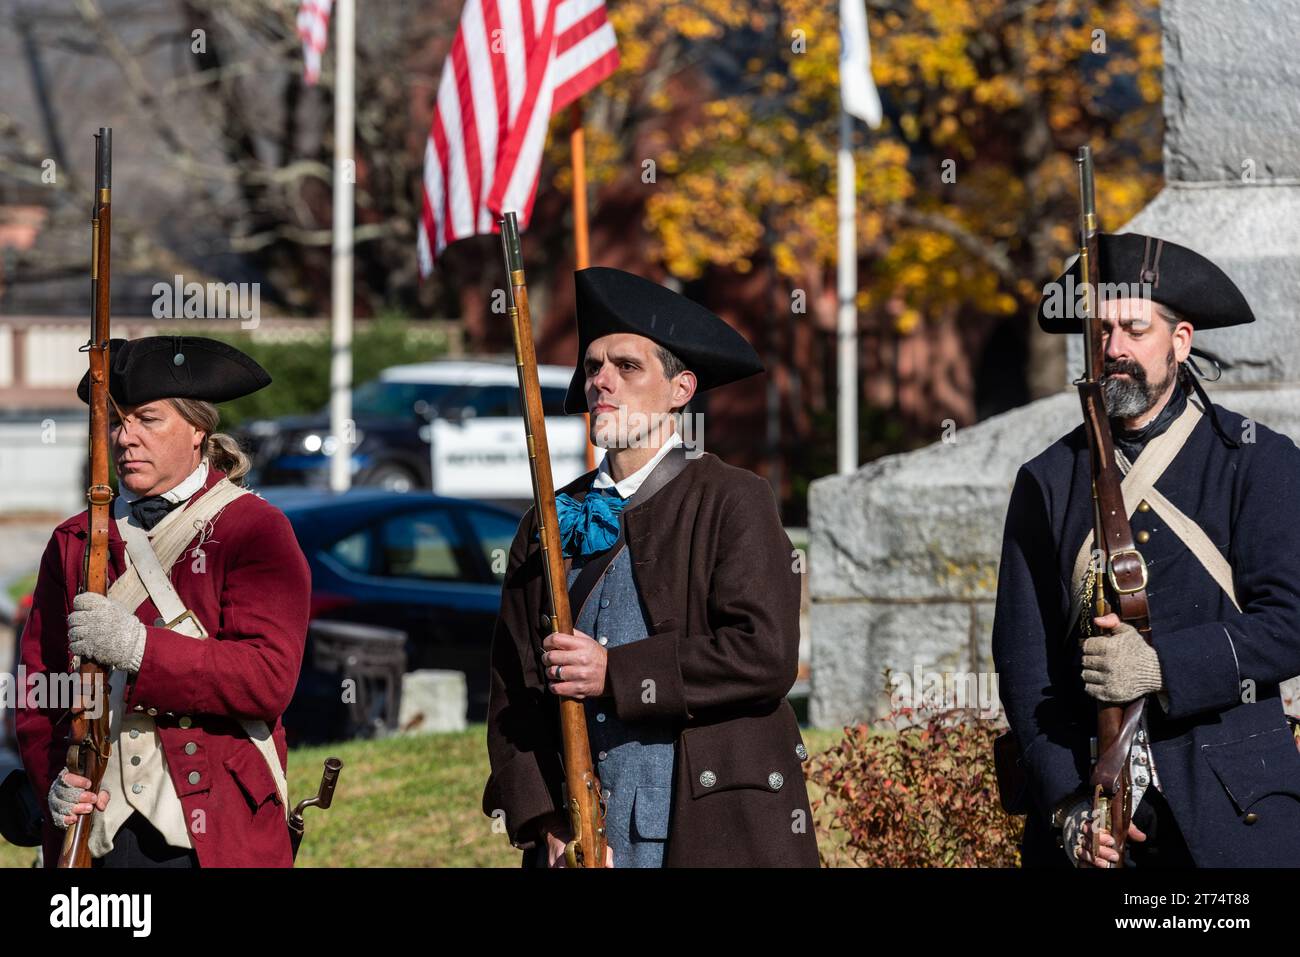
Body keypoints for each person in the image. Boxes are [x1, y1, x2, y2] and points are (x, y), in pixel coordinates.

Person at [483, 266, 819, 867]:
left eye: (626, 367)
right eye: (592, 368)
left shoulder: (732, 499)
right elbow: (515, 694)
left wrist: (614, 671)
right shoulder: (549, 521)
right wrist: (548, 823)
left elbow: (764, 655)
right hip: (586, 842)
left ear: (681, 389)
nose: (600, 382)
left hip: (711, 829)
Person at [992, 232, 1300, 868]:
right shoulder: (1045, 481)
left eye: (1134, 329)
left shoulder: (1258, 463)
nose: (1114, 351)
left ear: (1180, 342)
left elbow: (1291, 623)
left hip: (1237, 812)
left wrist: (1164, 665)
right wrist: (1064, 807)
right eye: (1099, 333)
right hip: (1092, 815)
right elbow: (1026, 666)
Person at [16, 335, 310, 867]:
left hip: (212, 831)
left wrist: (140, 649)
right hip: (99, 830)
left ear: (197, 429)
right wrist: (53, 784)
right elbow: (40, 692)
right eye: (117, 421)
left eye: (147, 419)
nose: (125, 437)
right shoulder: (75, 540)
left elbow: (267, 678)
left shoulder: (254, 529)